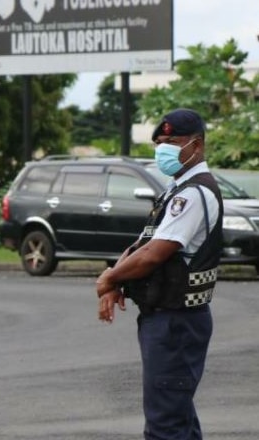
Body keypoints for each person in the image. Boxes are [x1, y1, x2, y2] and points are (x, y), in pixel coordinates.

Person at [95, 108, 223, 439]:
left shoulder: (195, 194)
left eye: (172, 141)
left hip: (177, 322)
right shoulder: (176, 190)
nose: (163, 148)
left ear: (197, 145)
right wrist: (116, 275)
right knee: (177, 419)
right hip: (168, 320)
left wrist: (109, 279)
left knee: (166, 426)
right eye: (160, 141)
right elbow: (142, 244)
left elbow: (155, 254)